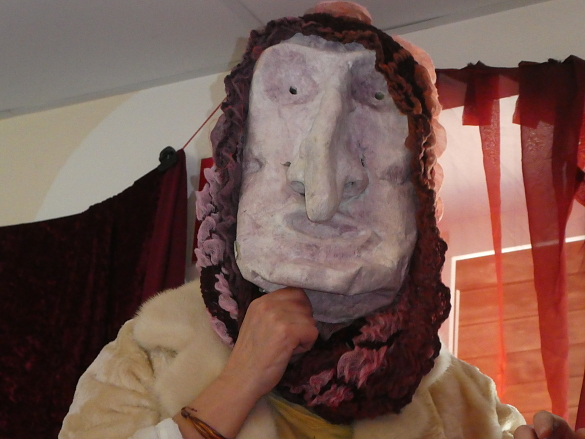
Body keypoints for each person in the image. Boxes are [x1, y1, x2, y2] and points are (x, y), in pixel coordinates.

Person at [59, 2, 585, 439]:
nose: (322, 190)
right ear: (235, 172)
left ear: (420, 198)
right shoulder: (148, 356)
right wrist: (239, 382)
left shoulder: (471, 409)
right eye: (290, 93)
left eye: (375, 98)